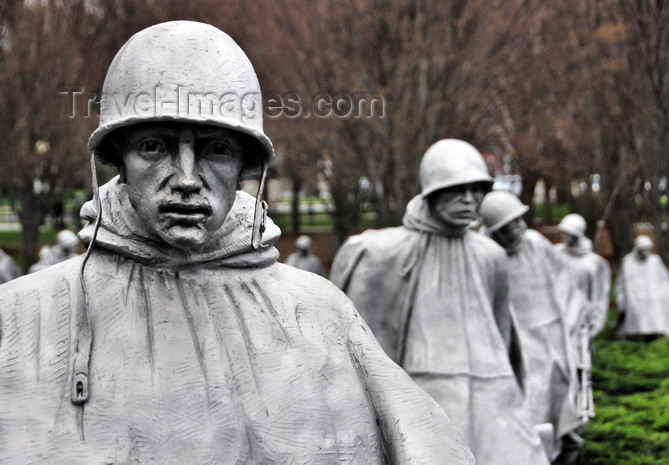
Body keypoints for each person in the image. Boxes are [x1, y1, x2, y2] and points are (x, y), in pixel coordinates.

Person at [0, 21, 473, 464]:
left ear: (247, 168)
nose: (186, 179)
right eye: (154, 146)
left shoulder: (319, 312)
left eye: (216, 150)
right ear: (117, 159)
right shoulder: (23, 315)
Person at [331, 139, 550, 465]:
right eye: (456, 191)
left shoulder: (492, 256)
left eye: (476, 191)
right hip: (426, 384)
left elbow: (504, 332)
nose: (469, 201)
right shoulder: (387, 251)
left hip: (494, 387)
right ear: (432, 192)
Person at [479, 190, 581, 461]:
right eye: (513, 223)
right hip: (517, 349)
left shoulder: (535, 243)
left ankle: (562, 449)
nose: (522, 226)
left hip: (553, 341)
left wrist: (572, 323)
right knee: (530, 408)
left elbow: (565, 282)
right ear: (497, 229)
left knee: (562, 404)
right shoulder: (485, 254)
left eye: (521, 219)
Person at [554, 213, 611, 462]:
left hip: (579, 333)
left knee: (577, 379)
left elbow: (600, 299)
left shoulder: (594, 263)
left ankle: (573, 430)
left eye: (569, 233)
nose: (564, 237)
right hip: (555, 329)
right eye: (562, 232)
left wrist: (593, 328)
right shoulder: (554, 254)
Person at [615, 235, 669, 339]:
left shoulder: (655, 261)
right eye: (643, 250)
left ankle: (652, 337)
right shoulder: (628, 261)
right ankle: (626, 338)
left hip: (651, 298)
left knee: (653, 316)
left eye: (648, 250)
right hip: (634, 298)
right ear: (638, 249)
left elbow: (664, 279)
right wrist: (620, 296)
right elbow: (621, 282)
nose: (646, 253)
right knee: (631, 315)